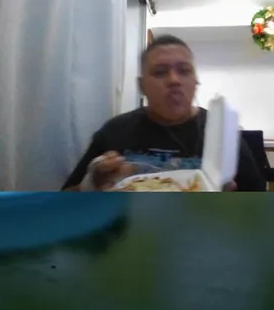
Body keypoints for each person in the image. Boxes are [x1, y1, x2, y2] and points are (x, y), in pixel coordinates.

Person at [62, 34, 265, 192]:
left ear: (196, 82)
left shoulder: (223, 135)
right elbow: (63, 202)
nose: (174, 80)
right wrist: (89, 186)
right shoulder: (115, 130)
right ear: (141, 86)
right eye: (160, 72)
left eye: (184, 71)